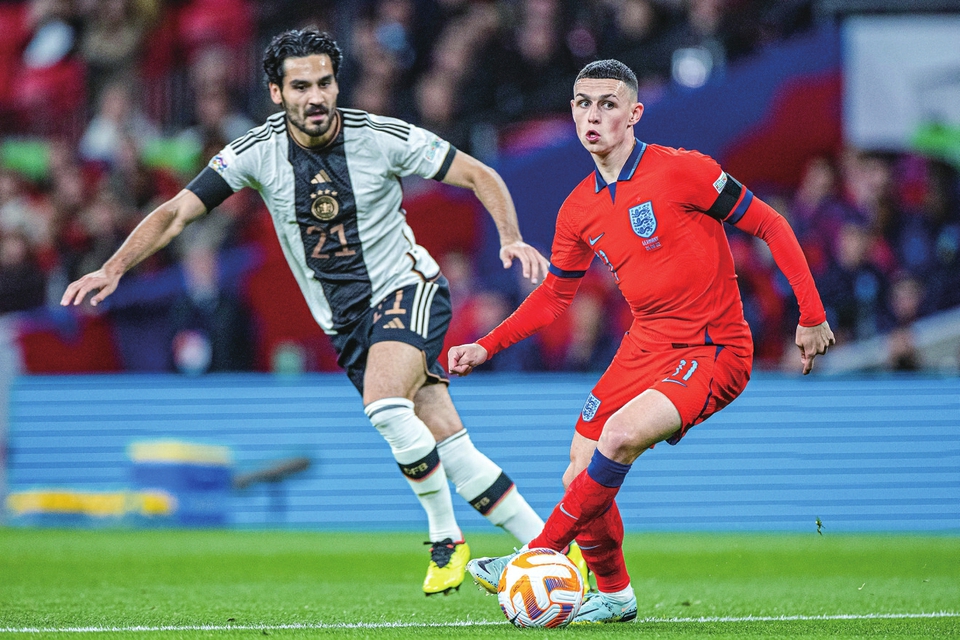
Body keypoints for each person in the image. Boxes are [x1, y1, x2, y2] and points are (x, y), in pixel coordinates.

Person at [61, 28, 585, 596]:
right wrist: (114, 267)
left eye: (324, 83)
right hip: (346, 325)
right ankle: (556, 550)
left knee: (385, 406)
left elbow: (479, 173)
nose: (315, 96)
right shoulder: (255, 152)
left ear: (337, 85)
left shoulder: (380, 136)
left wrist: (510, 236)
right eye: (300, 86)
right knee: (451, 447)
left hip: (408, 289)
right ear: (276, 93)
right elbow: (177, 212)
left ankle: (445, 538)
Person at [449, 59, 835, 622]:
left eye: (607, 104)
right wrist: (487, 345)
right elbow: (555, 297)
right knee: (579, 471)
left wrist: (812, 314)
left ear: (634, 114)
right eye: (583, 104)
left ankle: (537, 554)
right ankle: (614, 595)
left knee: (620, 435)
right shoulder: (578, 208)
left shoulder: (684, 171)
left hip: (713, 347)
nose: (593, 115)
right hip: (645, 345)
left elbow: (770, 224)